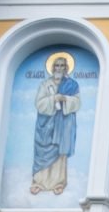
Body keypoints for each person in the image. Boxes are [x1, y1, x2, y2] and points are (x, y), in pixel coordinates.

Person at [31, 54, 82, 195]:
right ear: (53, 68)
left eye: (62, 66)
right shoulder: (45, 85)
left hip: (63, 124)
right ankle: (39, 182)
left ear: (66, 68)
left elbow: (77, 103)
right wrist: (54, 99)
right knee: (43, 152)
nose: (59, 68)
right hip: (46, 124)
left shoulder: (72, 84)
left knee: (60, 152)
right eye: (57, 65)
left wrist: (65, 98)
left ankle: (58, 182)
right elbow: (39, 103)